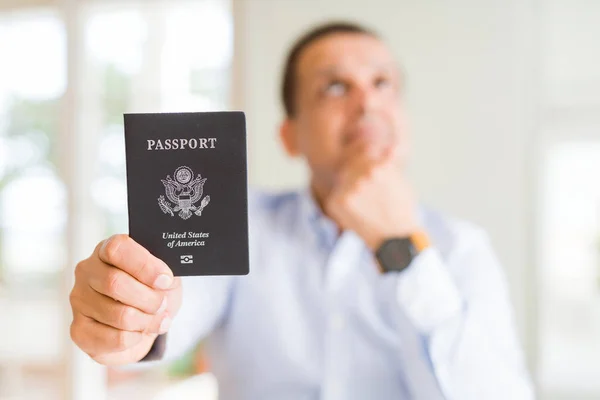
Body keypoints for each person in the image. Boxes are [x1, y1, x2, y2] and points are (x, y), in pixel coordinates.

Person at [69, 22, 535, 399]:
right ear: (290, 136)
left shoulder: (462, 248)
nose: (367, 101)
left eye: (382, 83)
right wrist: (133, 317)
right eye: (335, 87)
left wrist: (402, 247)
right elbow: (180, 305)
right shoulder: (242, 221)